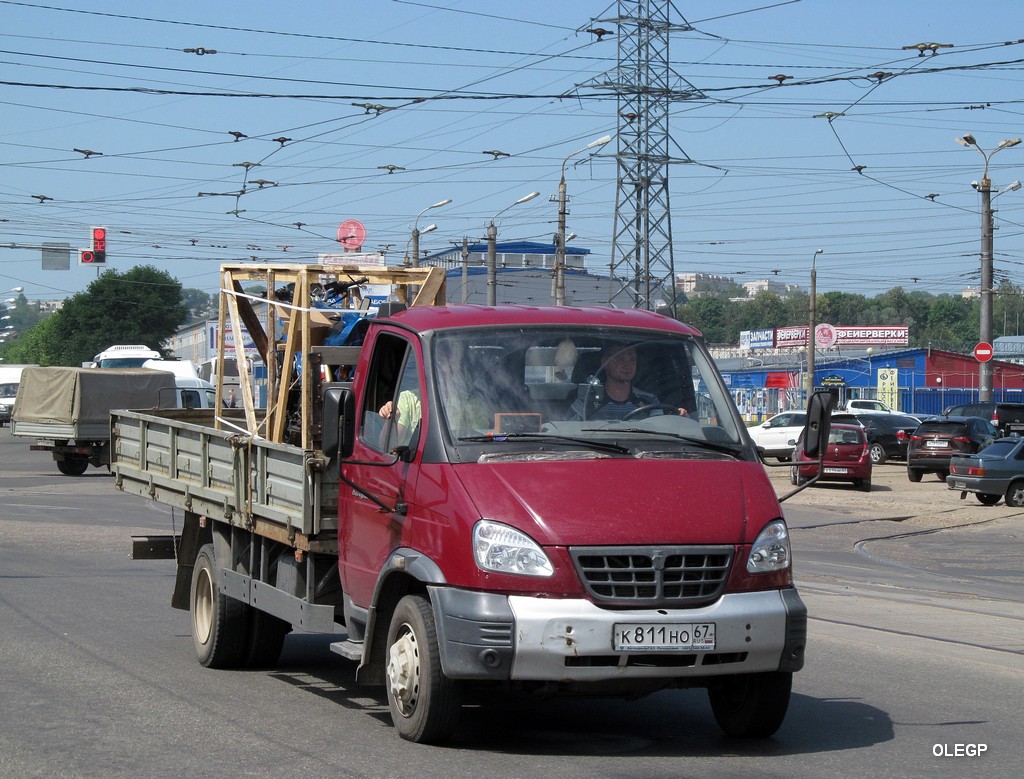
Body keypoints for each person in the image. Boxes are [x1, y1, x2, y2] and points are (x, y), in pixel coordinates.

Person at [568, 344, 687, 421]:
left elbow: (660, 434)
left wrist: (677, 420)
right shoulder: (587, 401)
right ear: (605, 362)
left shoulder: (649, 401)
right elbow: (567, 433)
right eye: (620, 359)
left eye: (632, 359)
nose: (627, 365)